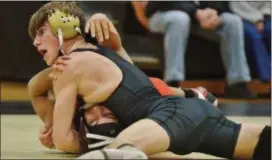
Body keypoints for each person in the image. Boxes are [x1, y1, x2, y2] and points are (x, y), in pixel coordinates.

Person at [28, 2, 270, 159]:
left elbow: (64, 141)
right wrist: (52, 121)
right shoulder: (109, 49)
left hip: (168, 117)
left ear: (64, 28)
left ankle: (185, 95)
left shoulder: (68, 68)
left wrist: (86, 139)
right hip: (189, 119)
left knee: (113, 151)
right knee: (263, 144)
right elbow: (35, 87)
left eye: (41, 33)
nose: (35, 42)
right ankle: (190, 95)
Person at [29, 12, 217, 152]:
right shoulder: (128, 112)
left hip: (113, 90)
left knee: (152, 88)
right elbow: (131, 74)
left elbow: (35, 88)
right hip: (138, 94)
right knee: (153, 88)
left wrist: (51, 123)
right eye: (107, 116)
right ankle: (191, 94)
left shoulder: (71, 72)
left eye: (41, 33)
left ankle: (189, 94)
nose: (100, 112)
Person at [131, 1, 256, 99]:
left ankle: (237, 83)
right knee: (180, 19)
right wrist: (195, 12)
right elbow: (166, 3)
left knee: (232, 21)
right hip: (164, 13)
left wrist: (214, 11)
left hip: (197, 17)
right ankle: (172, 83)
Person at [230, 1, 271, 82]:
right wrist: (257, 19)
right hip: (241, 16)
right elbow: (236, 5)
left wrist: (264, 16)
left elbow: (268, 3)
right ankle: (267, 77)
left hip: (264, 16)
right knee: (255, 37)